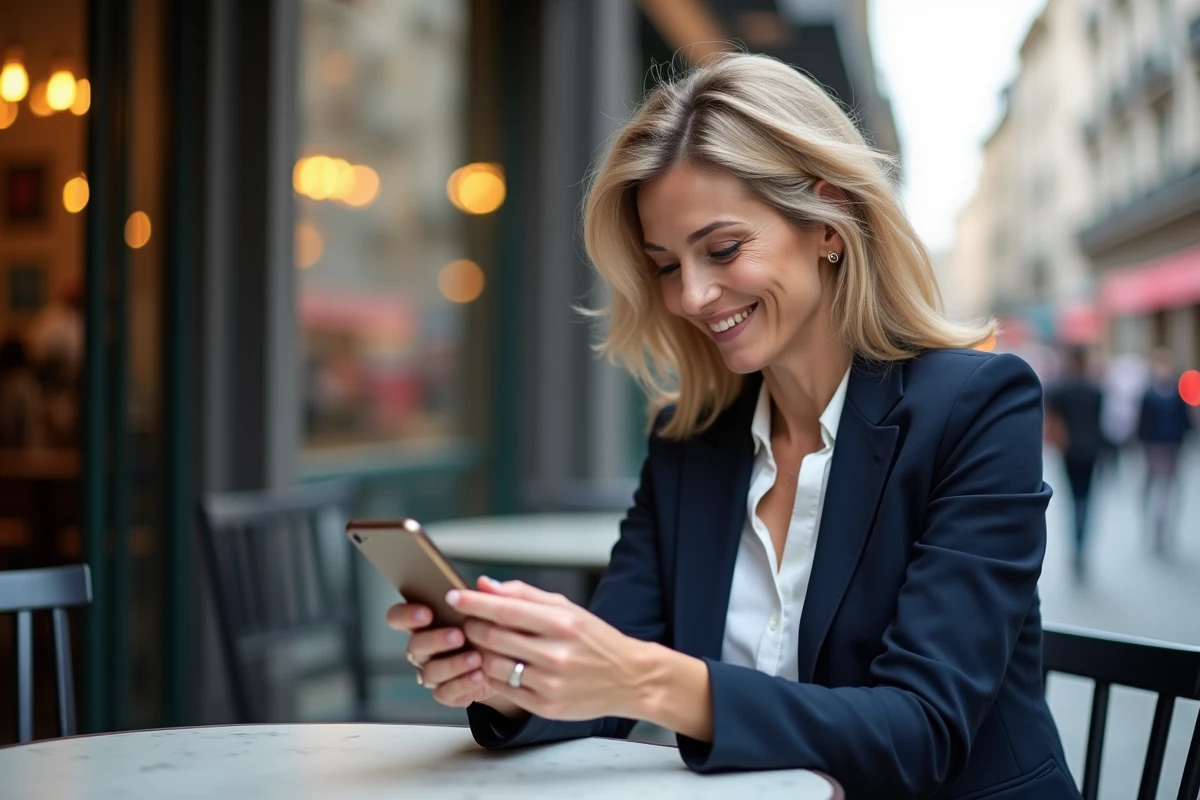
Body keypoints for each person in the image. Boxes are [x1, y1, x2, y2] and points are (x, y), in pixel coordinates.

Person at [386, 54, 1076, 799]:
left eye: (721, 249)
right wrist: (512, 681)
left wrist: (647, 680)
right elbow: (614, 673)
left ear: (828, 223)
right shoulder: (693, 441)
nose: (691, 295)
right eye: (664, 265)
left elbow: (922, 732)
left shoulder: (976, 406)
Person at [1044, 346, 1105, 579]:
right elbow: (1101, 423)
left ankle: (1076, 545)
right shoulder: (1095, 389)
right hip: (1090, 451)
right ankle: (1081, 544)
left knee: (1073, 499)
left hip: (1069, 451)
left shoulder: (1061, 389)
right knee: (1086, 500)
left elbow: (1052, 418)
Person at [1138, 348, 1192, 555]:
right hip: (1156, 446)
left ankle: (1160, 525)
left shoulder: (1164, 393)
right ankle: (1156, 523)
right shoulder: (1151, 394)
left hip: (1168, 446)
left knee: (1164, 488)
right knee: (1160, 486)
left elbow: (1184, 421)